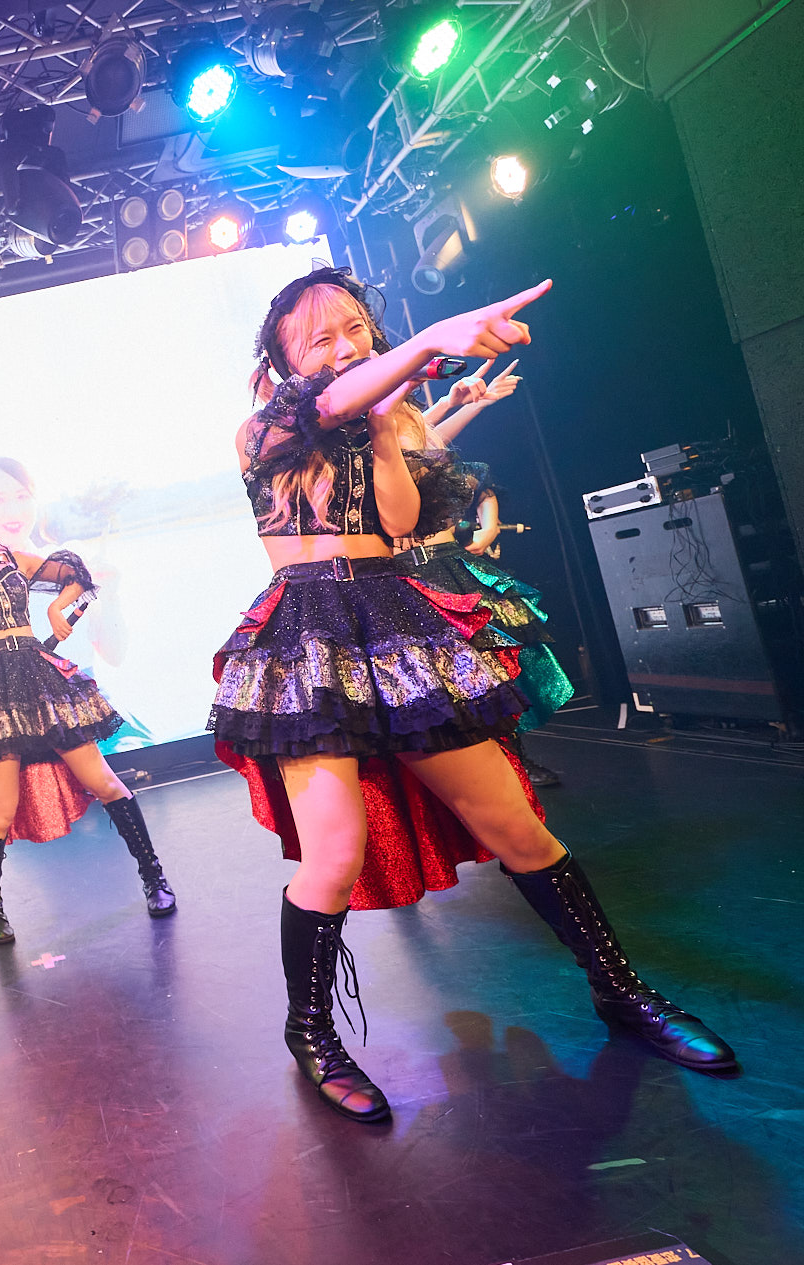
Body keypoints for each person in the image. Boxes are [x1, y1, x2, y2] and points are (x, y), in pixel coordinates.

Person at [210, 266, 736, 1126]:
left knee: (517, 827)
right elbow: (323, 407)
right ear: (281, 360)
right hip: (306, 635)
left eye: (355, 328)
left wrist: (388, 423)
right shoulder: (264, 427)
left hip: (393, 619)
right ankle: (311, 1032)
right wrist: (425, 345)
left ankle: (621, 991)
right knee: (334, 854)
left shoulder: (374, 416)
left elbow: (398, 517)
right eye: (319, 339)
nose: (344, 346)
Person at [0, 488, 176, 946]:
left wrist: (57, 606)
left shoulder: (16, 560)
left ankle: (154, 877)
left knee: (104, 782)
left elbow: (76, 574)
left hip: (40, 675)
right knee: (0, 810)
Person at [399, 360, 574, 784]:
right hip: (408, 571)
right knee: (447, 678)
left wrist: (470, 404)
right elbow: (412, 446)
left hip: (448, 561)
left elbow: (430, 445)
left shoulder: (409, 424)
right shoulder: (375, 433)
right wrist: (453, 403)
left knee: (495, 664)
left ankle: (515, 759)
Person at [0, 454, 153, 752]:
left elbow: (114, 654)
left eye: (22, 496)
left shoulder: (68, 560)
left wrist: (110, 595)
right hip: (23, 731)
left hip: (93, 714)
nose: (14, 511)